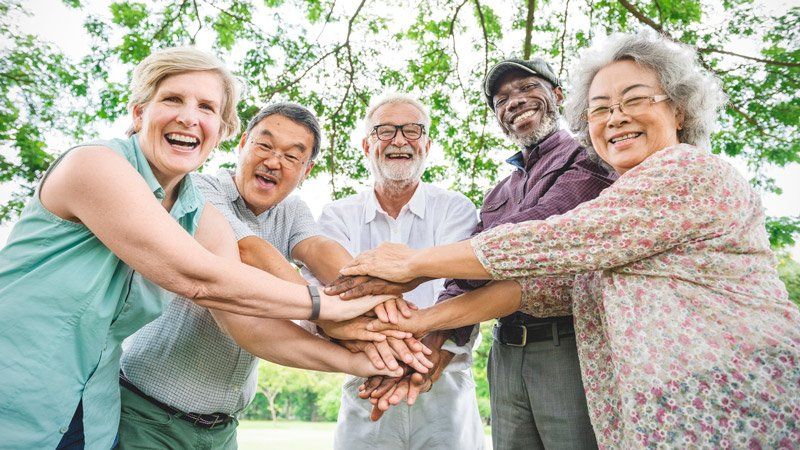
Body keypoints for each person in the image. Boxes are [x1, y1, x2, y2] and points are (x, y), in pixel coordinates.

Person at [341, 31, 800, 447]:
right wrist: (421, 328)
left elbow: (554, 239)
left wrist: (413, 263)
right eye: (601, 108)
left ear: (678, 109)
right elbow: (544, 286)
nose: (616, 118)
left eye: (634, 100)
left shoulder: (685, 171)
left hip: (734, 397)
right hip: (654, 406)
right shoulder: (515, 192)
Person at [0, 47, 392, 450]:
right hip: (17, 399)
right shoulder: (94, 164)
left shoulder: (193, 209)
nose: (189, 117)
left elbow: (245, 314)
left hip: (91, 413)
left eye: (206, 107)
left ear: (219, 130)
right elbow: (201, 277)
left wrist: (368, 357)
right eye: (172, 99)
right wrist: (328, 305)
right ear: (139, 114)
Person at [331, 58, 615, 449]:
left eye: (528, 88)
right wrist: (429, 348)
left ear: (559, 96)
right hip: (505, 350)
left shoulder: (587, 157)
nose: (515, 101)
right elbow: (465, 278)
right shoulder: (499, 193)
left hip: (563, 343)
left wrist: (415, 269)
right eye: (502, 98)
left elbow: (535, 234)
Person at [117, 102, 412, 449]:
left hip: (221, 429)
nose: (273, 162)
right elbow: (247, 250)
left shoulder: (292, 210)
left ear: (307, 170)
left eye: (292, 156)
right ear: (242, 144)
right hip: (149, 416)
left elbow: (319, 250)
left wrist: (383, 317)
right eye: (265, 145)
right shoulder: (199, 189)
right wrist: (328, 314)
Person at [313, 94, 484, 449]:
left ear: (427, 144)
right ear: (366, 145)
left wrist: (429, 354)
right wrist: (396, 356)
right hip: (367, 384)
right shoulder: (337, 216)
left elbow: (464, 286)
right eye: (386, 130)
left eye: (412, 130)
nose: (400, 140)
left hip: (445, 387)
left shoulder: (455, 208)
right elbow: (332, 293)